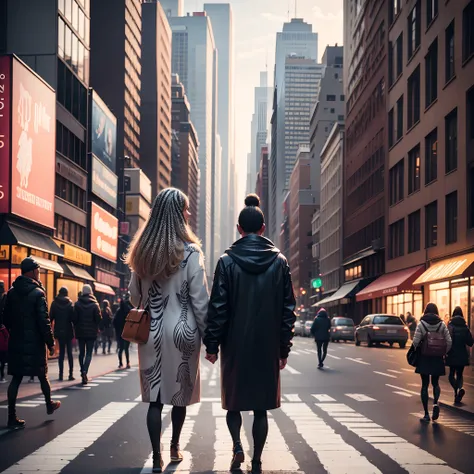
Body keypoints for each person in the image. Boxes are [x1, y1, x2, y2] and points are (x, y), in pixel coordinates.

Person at [204, 194, 296, 474]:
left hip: (235, 344)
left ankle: (236, 447)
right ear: (263, 228)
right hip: (266, 346)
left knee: (233, 403)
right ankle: (257, 460)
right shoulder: (280, 262)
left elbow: (218, 307)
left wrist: (211, 344)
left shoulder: (226, 262)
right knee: (260, 407)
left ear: (239, 228)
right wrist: (283, 349)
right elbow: (287, 310)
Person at [125, 188, 209, 473]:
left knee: (154, 399)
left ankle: (156, 456)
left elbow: (135, 297)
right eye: (185, 209)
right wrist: (212, 339)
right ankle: (174, 446)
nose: (188, 213)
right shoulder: (191, 253)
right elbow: (200, 301)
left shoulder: (142, 253)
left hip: (151, 333)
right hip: (184, 331)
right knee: (179, 396)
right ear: (177, 213)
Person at [1, 257, 61, 428]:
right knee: (42, 376)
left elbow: (5, 319)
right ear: (33, 271)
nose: (39, 273)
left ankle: (11, 417)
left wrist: (17, 331)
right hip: (35, 344)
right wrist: (50, 343)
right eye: (38, 270)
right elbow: (44, 321)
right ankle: (49, 404)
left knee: (16, 378)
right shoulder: (38, 293)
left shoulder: (11, 293)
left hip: (16, 342)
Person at [412, 303, 452, 423]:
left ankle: (426, 414)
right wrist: (443, 352)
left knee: (425, 384)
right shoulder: (442, 324)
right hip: (437, 358)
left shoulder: (421, 324)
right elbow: (449, 342)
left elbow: (415, 342)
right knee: (436, 383)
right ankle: (435, 404)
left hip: (424, 358)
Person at [73, 284, 101, 385]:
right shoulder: (95, 304)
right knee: (89, 353)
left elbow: (74, 318)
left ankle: (82, 371)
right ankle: (85, 371)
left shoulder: (77, 304)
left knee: (81, 353)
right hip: (91, 332)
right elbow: (98, 319)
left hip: (80, 332)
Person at [446, 307, 473, 404]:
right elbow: (470, 342)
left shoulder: (450, 326)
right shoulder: (465, 327)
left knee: (451, 376)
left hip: (452, 354)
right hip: (462, 355)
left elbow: (447, 340)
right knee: (460, 375)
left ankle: (457, 392)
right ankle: (459, 390)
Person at [50, 287, 75, 381]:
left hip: (59, 331)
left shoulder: (54, 303)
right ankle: (70, 374)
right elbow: (73, 318)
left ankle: (60, 375)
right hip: (68, 330)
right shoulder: (70, 304)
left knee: (61, 354)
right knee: (69, 353)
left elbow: (50, 317)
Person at [113, 295, 133, 369]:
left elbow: (114, 322)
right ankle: (128, 362)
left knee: (120, 349)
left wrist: (117, 330)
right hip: (127, 332)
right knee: (126, 348)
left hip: (120, 333)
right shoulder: (128, 311)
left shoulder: (118, 311)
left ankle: (120, 363)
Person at [0, 281, 8, 382]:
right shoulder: (5, 298)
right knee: (3, 352)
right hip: (3, 328)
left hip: (3, 327)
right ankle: (2, 375)